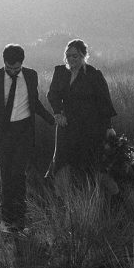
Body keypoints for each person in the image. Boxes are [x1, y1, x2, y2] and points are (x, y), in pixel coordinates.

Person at [0, 43, 55, 231]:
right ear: (4, 62)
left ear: (22, 63)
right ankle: (7, 218)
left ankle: (20, 218)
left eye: (16, 68)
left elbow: (34, 102)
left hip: (23, 132)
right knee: (6, 175)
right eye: (9, 68)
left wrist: (51, 120)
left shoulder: (31, 75)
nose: (12, 71)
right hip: (2, 133)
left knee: (18, 174)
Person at [46, 39, 117, 186]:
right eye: (68, 55)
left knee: (91, 165)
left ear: (84, 56)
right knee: (60, 163)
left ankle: (104, 198)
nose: (71, 59)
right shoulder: (60, 72)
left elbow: (104, 101)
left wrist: (108, 127)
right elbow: (53, 95)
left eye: (75, 56)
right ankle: (62, 200)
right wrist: (58, 113)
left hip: (89, 127)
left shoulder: (94, 75)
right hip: (66, 125)